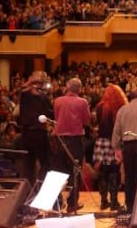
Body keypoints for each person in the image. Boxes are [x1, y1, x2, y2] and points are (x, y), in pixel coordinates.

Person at [52, 77, 91, 213]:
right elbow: (87, 121)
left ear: (67, 87)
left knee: (57, 172)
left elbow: (57, 118)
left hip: (59, 140)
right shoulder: (83, 102)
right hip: (75, 140)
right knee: (75, 171)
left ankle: (56, 203)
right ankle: (72, 203)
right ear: (79, 89)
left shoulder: (57, 101)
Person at [93, 84, 128, 211]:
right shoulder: (119, 107)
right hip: (115, 141)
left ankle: (103, 201)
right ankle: (114, 202)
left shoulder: (99, 107)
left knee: (102, 172)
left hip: (101, 141)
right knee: (114, 171)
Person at [17, 71, 53, 187]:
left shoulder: (41, 96)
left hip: (33, 133)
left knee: (35, 165)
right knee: (38, 164)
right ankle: (33, 192)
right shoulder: (26, 94)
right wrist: (33, 81)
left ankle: (35, 191)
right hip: (33, 134)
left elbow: (50, 114)